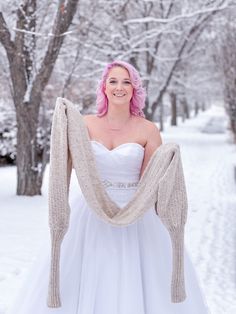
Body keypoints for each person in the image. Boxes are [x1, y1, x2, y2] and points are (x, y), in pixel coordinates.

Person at [7, 60, 210, 314]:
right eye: (112, 81)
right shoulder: (85, 124)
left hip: (136, 215)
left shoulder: (148, 129)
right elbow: (69, 161)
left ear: (135, 89)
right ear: (103, 87)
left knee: (137, 279)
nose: (119, 87)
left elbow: (152, 181)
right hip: (90, 212)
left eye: (126, 82)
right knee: (87, 276)